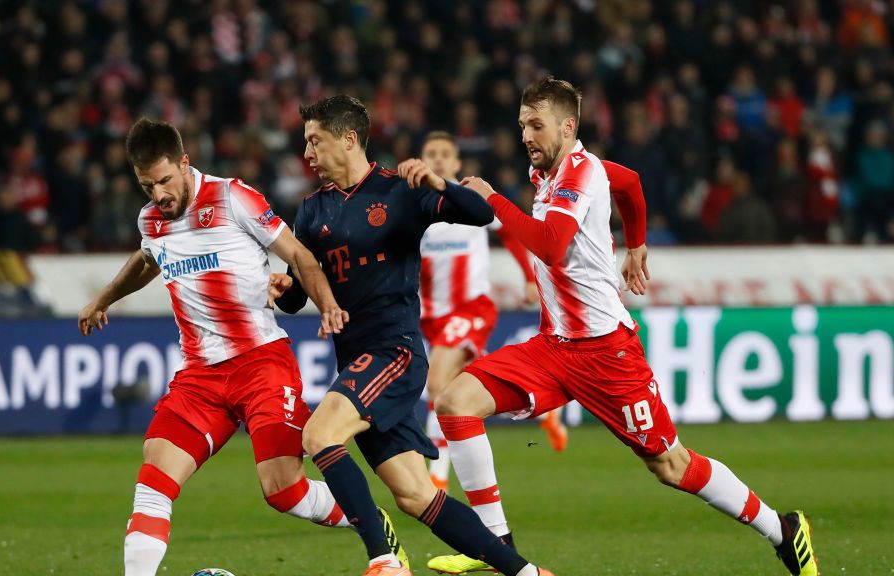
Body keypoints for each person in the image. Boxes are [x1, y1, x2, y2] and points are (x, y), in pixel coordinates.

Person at [428, 77, 818, 576]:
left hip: (606, 353)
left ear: (568, 127)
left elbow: (551, 245)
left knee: (670, 466)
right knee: (455, 404)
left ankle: (783, 532)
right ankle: (493, 545)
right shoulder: (549, 171)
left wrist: (493, 200)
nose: (526, 134)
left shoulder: (579, 171)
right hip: (553, 348)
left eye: (536, 124)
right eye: (522, 124)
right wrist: (636, 242)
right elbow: (630, 182)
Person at [78, 118, 373, 576]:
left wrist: (328, 306)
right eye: (146, 185)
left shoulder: (233, 197)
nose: (158, 195)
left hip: (262, 365)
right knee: (155, 475)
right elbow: (146, 259)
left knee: (284, 492)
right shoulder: (152, 220)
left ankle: (374, 527)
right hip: (200, 376)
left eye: (164, 181)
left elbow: (298, 254)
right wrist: (103, 299)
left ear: (184, 163)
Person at [273, 95, 555, 576]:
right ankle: (526, 573)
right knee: (415, 495)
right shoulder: (311, 210)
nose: (308, 153)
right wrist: (283, 291)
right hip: (357, 363)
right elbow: (300, 294)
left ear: (348, 139)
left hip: (394, 354)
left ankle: (384, 560)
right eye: (305, 143)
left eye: (314, 141)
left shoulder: (397, 190)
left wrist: (440, 182)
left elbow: (481, 214)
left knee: (319, 434)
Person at [414, 130, 564, 495]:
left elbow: (511, 233)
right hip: (430, 316)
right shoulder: (413, 203)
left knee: (436, 383)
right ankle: (544, 407)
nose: (436, 159)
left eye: (444, 154)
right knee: (463, 391)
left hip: (471, 308)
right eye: (430, 153)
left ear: (456, 163)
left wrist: (529, 277)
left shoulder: (467, 200)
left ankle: (437, 475)